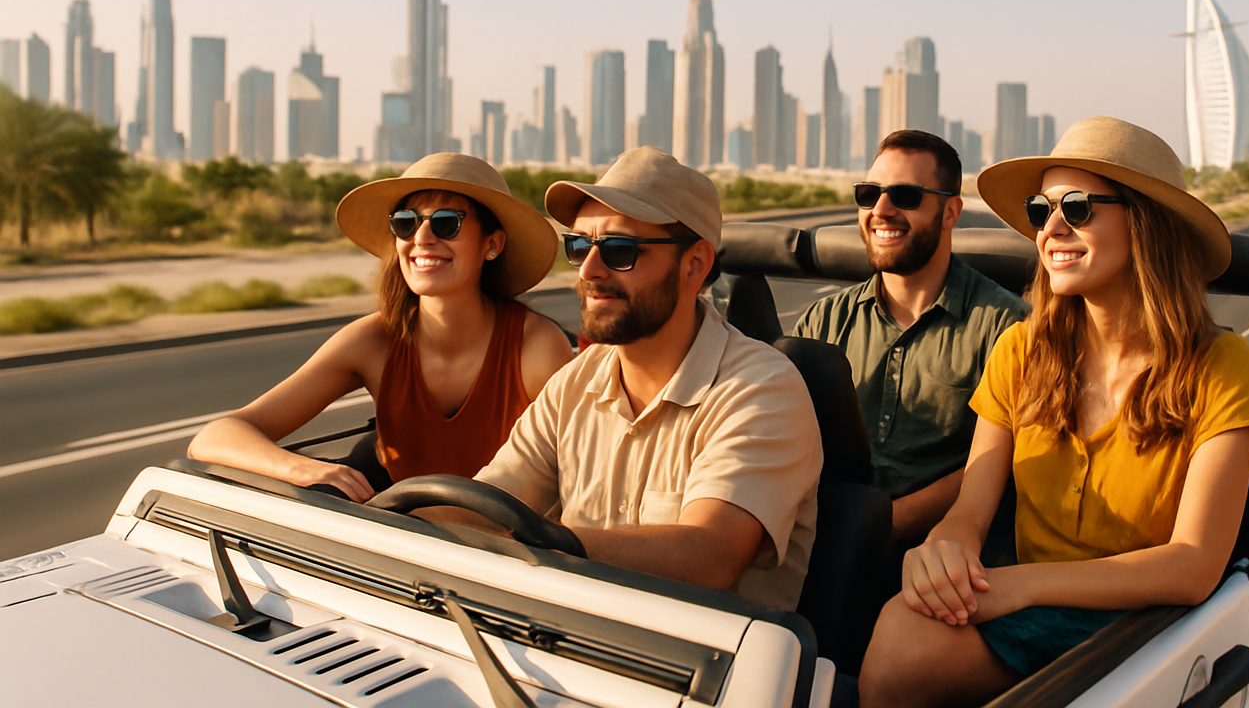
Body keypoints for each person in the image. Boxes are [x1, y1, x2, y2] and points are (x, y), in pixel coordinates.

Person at [859, 117, 1249, 708]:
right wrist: (943, 549)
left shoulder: (1221, 366)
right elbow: (970, 511)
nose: (1051, 228)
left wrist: (1023, 585)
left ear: (1147, 224)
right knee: (897, 640)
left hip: (1148, 623)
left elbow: (1192, 566)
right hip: (1030, 611)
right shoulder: (1021, 349)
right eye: (1041, 210)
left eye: (1077, 208)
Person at [468, 146, 822, 612]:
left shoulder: (761, 390)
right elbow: (488, 503)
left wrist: (535, 542)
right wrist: (391, 515)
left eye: (620, 250)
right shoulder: (574, 384)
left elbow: (709, 556)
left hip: (702, 651)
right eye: (579, 247)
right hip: (565, 635)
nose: (589, 271)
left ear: (694, 265)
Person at [188, 153, 573, 502]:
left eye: (445, 223)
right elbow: (215, 436)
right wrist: (303, 469)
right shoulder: (373, 340)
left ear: (492, 244)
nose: (422, 238)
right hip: (393, 541)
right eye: (405, 223)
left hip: (503, 547)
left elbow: (574, 480)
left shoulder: (535, 346)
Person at [793, 129, 1026, 545]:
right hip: (820, 540)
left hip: (945, 552)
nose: (881, 210)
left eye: (906, 196)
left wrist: (885, 525)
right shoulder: (822, 322)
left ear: (950, 212)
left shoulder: (1006, 327)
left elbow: (1010, 460)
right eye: (869, 194)